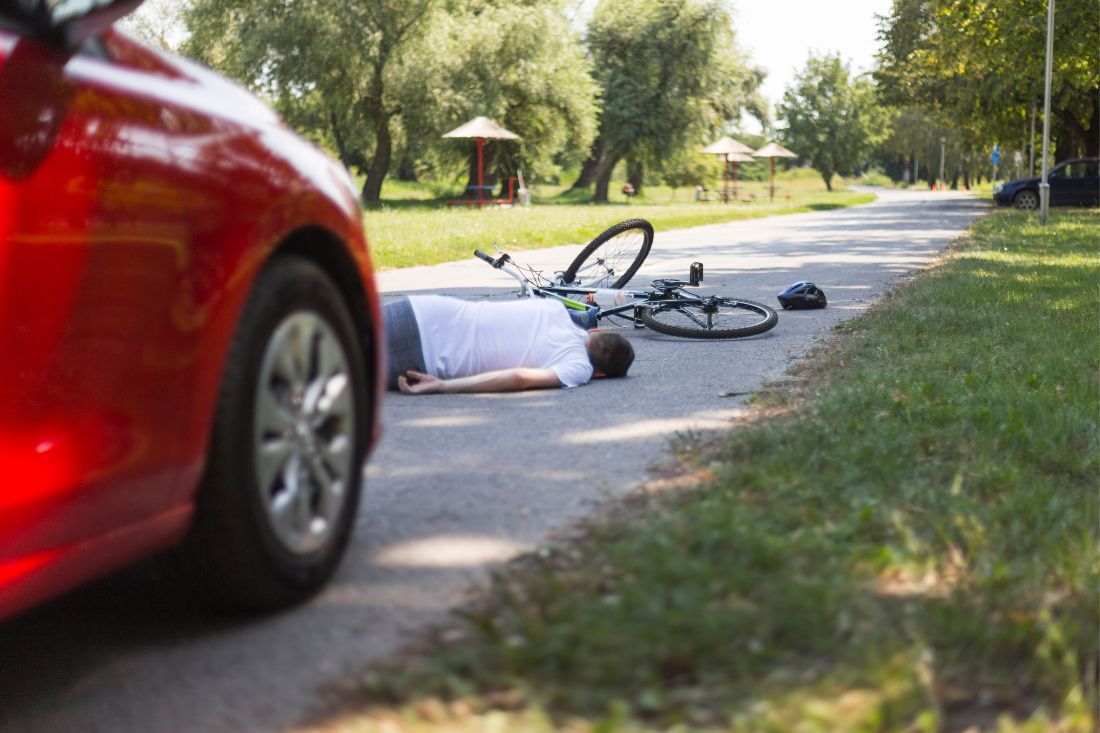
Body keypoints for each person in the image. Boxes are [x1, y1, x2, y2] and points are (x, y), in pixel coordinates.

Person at [383, 295, 634, 395]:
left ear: (594, 331)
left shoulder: (554, 307)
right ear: (600, 373)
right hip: (426, 357)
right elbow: (520, 377)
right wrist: (442, 386)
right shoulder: (579, 367)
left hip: (421, 310)